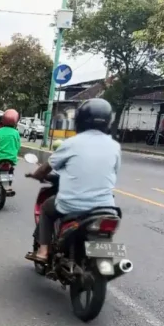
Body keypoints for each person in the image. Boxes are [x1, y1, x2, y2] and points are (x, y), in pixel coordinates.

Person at [25, 98, 121, 263]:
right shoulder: (114, 146)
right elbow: (114, 172)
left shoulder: (71, 143)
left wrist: (37, 175)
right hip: (106, 208)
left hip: (73, 205)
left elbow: (45, 168)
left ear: (79, 120)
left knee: (46, 209)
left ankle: (43, 251)